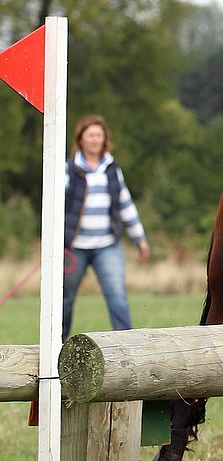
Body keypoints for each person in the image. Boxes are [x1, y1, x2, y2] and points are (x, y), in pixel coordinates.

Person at [62, 114, 150, 340]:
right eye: (90, 135)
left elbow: (125, 204)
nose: (94, 140)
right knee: (64, 299)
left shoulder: (112, 169)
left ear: (104, 139)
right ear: (80, 139)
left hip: (107, 245)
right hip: (74, 247)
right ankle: (57, 346)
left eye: (98, 135)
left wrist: (139, 239)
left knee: (117, 295)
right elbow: (54, 205)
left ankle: (127, 346)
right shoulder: (69, 169)